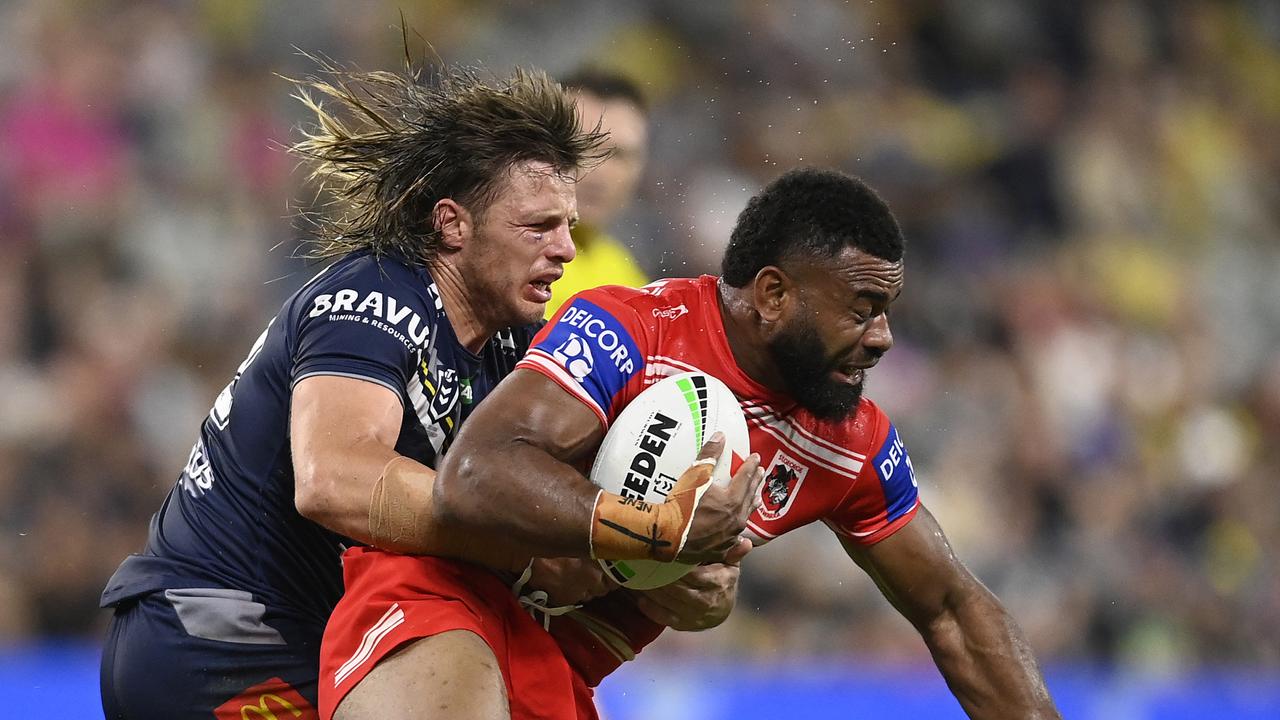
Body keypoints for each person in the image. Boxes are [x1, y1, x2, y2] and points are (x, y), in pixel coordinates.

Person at [98, 57, 759, 720]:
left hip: (318, 645)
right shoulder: (371, 295)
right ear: (452, 223)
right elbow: (335, 478)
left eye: (567, 225)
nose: (564, 249)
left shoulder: (515, 348)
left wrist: (680, 573)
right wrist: (540, 547)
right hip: (215, 639)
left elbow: (580, 516)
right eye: (538, 227)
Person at [320, 168, 1062, 719]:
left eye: (887, 311)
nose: (883, 338)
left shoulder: (850, 442)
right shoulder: (635, 328)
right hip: (442, 600)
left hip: (561, 671)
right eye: (862, 309)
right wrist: (654, 538)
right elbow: (474, 476)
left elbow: (952, 609)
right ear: (772, 296)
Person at [545, 69, 651, 318]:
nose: (599, 171)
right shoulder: (506, 254)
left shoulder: (627, 278)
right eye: (582, 146)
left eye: (618, 154)